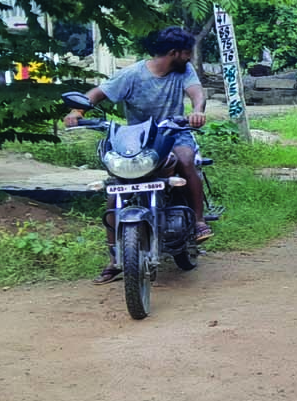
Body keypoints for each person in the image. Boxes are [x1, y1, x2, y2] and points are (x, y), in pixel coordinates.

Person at [64, 26, 212, 284]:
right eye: (187, 53)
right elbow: (96, 95)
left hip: (173, 131)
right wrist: (78, 112)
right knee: (115, 188)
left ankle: (198, 221)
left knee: (187, 160)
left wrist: (197, 110)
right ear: (174, 52)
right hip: (136, 139)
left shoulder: (182, 71)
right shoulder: (132, 75)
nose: (189, 58)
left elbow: (196, 92)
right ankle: (114, 257)